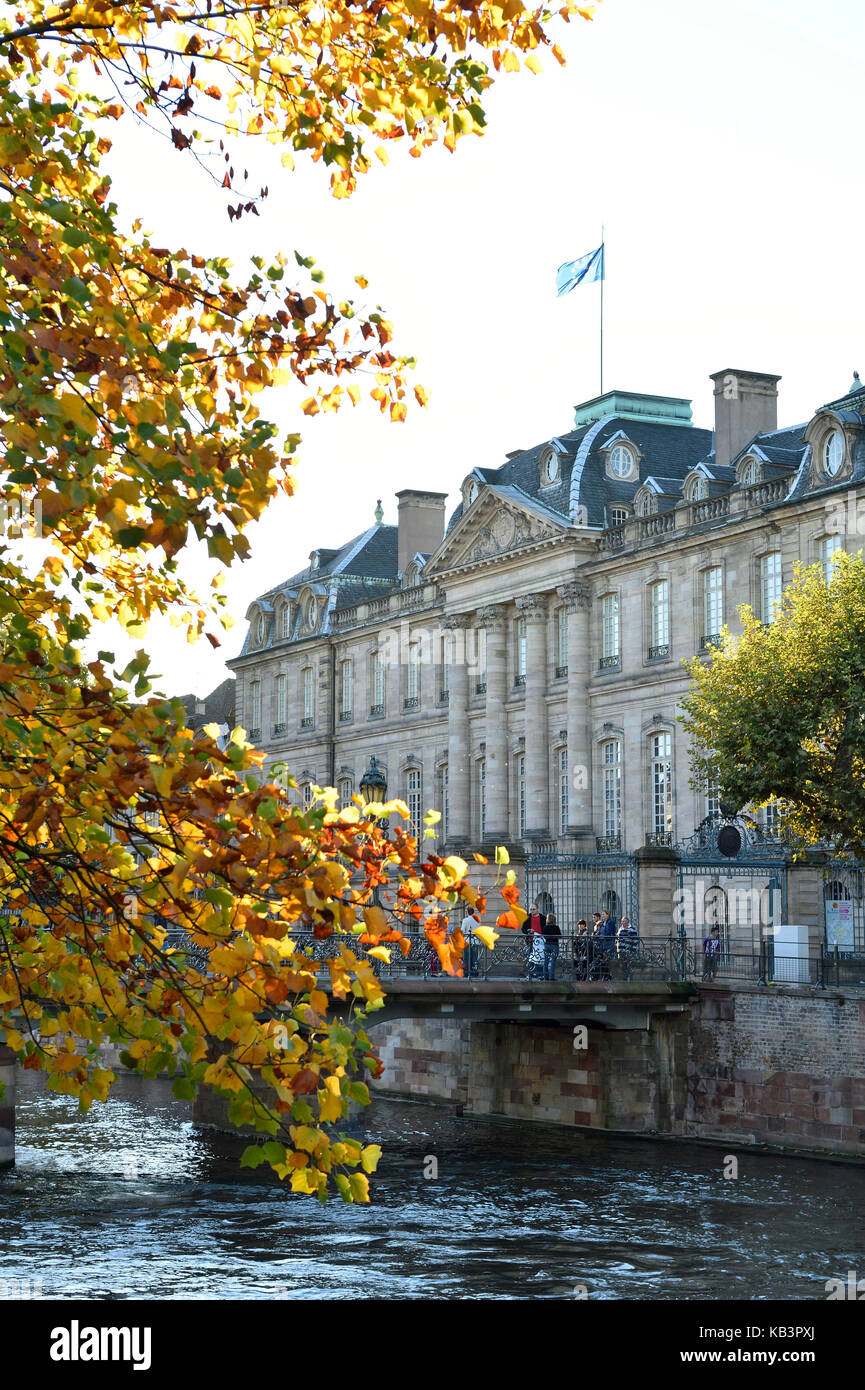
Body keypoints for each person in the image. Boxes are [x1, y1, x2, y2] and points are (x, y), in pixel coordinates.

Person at [522, 901, 546, 979]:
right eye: (531, 909)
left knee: (540, 959)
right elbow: (523, 929)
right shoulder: (527, 918)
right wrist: (528, 930)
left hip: (541, 942)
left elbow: (545, 929)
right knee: (530, 958)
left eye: (533, 909)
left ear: (537, 909)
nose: (532, 911)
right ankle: (530, 975)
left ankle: (539, 975)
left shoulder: (543, 918)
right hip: (530, 941)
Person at [462, 907, 481, 980]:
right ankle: (475, 972)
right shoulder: (477, 920)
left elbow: (462, 931)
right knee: (474, 958)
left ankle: (467, 973)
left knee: (466, 957)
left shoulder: (465, 920)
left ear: (467, 912)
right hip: (475, 940)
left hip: (467, 941)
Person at [543, 910, 561, 980]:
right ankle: (552, 977)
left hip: (547, 945)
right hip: (554, 945)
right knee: (553, 961)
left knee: (546, 961)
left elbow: (544, 936)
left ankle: (545, 977)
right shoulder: (556, 927)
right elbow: (559, 936)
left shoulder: (545, 927)